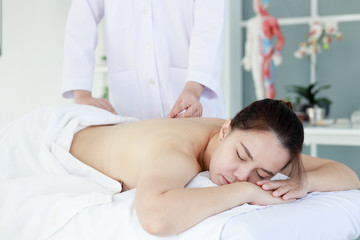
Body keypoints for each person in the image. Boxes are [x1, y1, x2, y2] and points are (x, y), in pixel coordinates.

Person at [69, 98, 360, 236]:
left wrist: (303, 183)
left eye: (263, 174)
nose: (241, 175)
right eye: (241, 156)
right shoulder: (178, 153)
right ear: (225, 130)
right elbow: (156, 219)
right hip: (57, 140)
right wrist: (247, 191)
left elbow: (348, 175)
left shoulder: (261, 146)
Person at [62, 0, 226, 119]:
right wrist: (81, 93)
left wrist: (193, 88)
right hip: (129, 104)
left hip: (194, 99)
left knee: (197, 161)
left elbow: (210, 26)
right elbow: (80, 21)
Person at [242, 0, 285, 100]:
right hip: (254, 56)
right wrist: (247, 57)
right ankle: (261, 110)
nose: (255, 6)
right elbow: (249, 41)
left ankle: (270, 109)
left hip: (267, 55)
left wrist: (277, 52)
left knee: (268, 83)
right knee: (258, 83)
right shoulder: (251, 23)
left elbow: (280, 39)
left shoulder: (271, 20)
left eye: (257, 3)